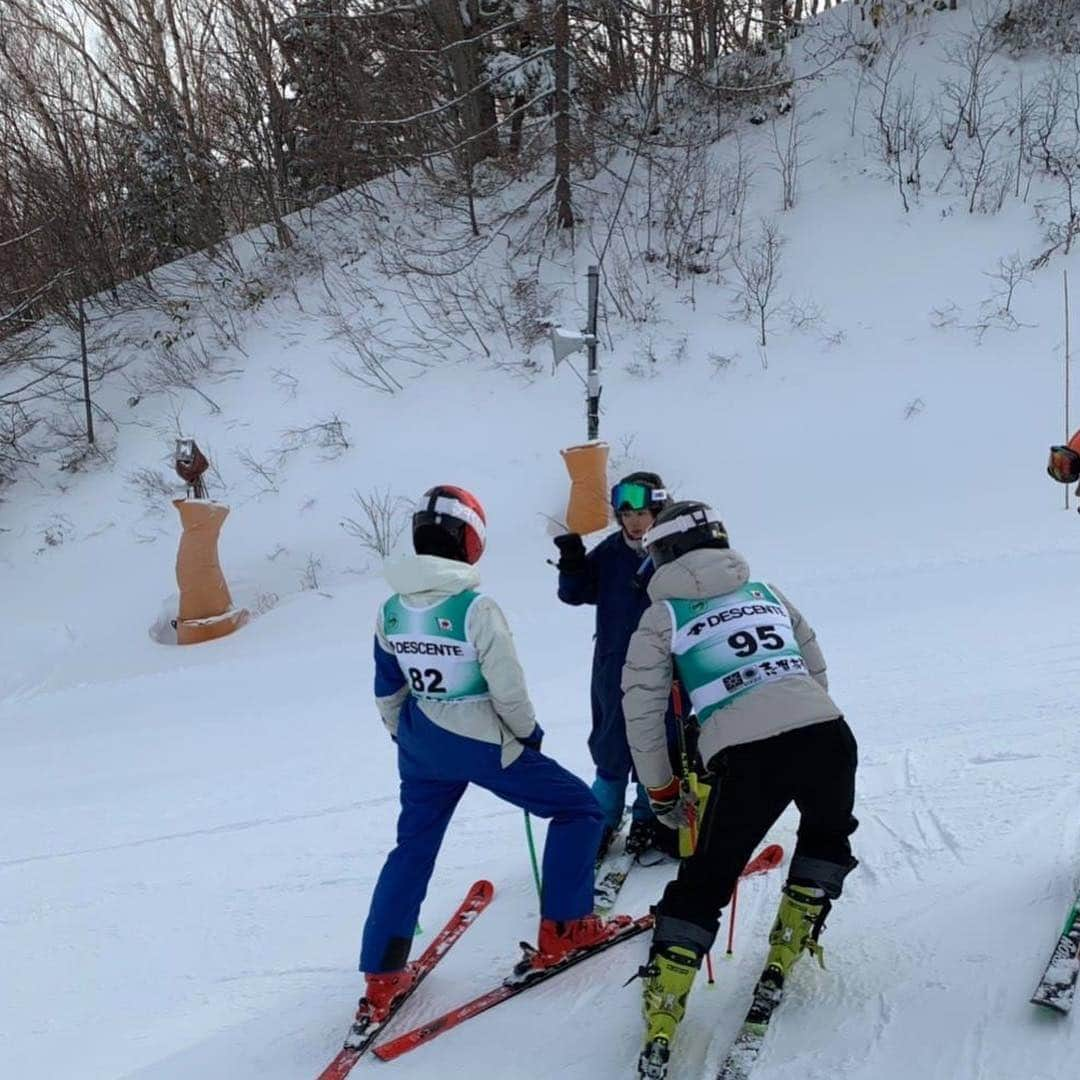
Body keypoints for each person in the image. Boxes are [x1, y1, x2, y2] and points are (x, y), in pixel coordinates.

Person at [354, 485, 630, 1029]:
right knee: (578, 810)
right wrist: (526, 736)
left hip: (419, 741)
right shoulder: (475, 607)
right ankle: (566, 929)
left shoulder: (391, 607)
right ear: (468, 541)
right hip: (481, 741)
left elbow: (388, 688)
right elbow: (508, 688)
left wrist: (405, 737)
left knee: (412, 849)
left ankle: (381, 975)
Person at [621, 501, 858, 1074]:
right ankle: (789, 947)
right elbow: (814, 670)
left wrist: (660, 790)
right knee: (825, 839)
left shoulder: (663, 618)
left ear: (664, 556)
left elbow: (643, 713)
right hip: (829, 735)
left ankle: (666, 999)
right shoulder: (768, 593)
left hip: (749, 757)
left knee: (706, 877)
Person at [554, 471, 678, 860]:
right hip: (613, 666)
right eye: (626, 514)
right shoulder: (610, 552)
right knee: (610, 743)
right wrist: (572, 562)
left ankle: (646, 817)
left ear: (658, 511)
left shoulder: (673, 552)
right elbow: (575, 594)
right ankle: (602, 819)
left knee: (656, 742)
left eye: (642, 512)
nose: (634, 522)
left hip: (664, 669)